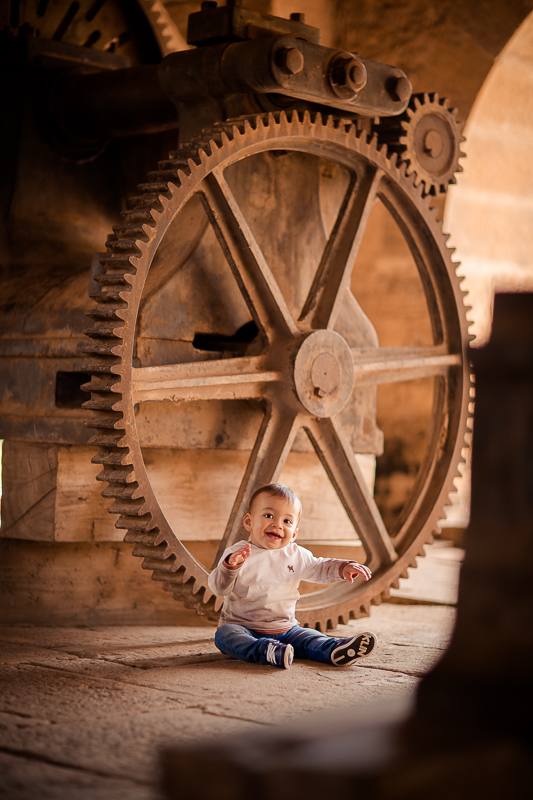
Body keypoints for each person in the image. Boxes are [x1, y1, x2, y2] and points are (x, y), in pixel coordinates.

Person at [208, 482, 377, 669]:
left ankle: (335, 649)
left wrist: (342, 567)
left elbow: (319, 567)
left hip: (287, 629)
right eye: (268, 515)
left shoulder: (297, 555)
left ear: (294, 533)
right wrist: (229, 567)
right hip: (243, 627)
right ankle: (266, 651)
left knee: (310, 637)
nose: (277, 524)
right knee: (225, 636)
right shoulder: (238, 553)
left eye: (287, 521)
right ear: (249, 522)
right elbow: (218, 588)